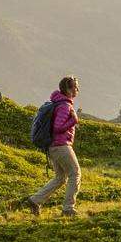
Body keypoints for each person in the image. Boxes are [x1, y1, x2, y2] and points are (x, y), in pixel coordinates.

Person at [24, 76, 81, 217]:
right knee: (75, 173)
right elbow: (57, 127)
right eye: (74, 87)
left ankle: (35, 200)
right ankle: (68, 208)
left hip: (53, 146)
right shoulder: (64, 106)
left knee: (60, 178)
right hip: (61, 145)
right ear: (68, 89)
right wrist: (73, 120)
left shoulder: (58, 102)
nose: (77, 89)